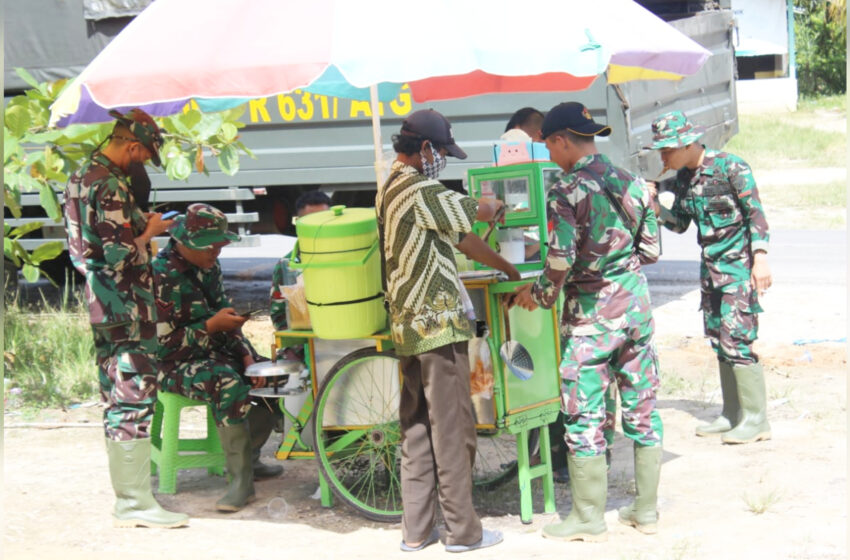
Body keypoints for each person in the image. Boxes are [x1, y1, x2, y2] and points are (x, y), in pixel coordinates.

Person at [512, 102, 664, 541]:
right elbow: (651, 252)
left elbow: (558, 259)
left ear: (561, 140)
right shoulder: (633, 183)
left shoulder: (566, 189)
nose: (549, 154)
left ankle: (587, 518)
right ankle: (646, 510)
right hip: (636, 312)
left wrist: (538, 295)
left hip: (591, 321)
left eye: (548, 145)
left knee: (584, 413)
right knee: (643, 406)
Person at [377, 109, 519, 553]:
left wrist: (504, 265)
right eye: (441, 152)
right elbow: (478, 211)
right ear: (424, 149)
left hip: (407, 328)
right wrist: (496, 205)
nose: (443, 161)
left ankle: (416, 532)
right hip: (439, 329)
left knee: (417, 430)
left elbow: (461, 239)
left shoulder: (389, 188)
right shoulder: (419, 187)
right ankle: (463, 532)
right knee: (454, 429)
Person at [63, 108, 188, 528]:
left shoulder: (80, 176)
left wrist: (144, 224)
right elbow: (119, 255)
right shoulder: (111, 185)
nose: (142, 164)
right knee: (133, 396)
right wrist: (150, 232)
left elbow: (92, 247)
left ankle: (132, 498)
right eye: (143, 156)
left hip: (102, 304)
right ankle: (134, 503)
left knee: (117, 396)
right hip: (126, 303)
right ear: (133, 145)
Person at [646, 110, 772, 444]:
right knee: (719, 342)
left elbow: (755, 216)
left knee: (737, 342)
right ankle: (732, 415)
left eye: (667, 149)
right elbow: (682, 224)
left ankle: (757, 420)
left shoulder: (731, 167)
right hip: (710, 273)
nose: (663, 156)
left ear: (688, 143)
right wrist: (657, 210)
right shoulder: (686, 180)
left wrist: (760, 258)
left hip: (738, 270)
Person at [153, 203, 280, 513]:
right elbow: (161, 346)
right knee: (228, 384)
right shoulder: (160, 276)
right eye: (211, 247)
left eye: (220, 246)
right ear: (186, 244)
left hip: (212, 352)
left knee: (274, 374)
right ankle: (240, 483)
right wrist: (210, 327)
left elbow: (225, 316)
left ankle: (249, 459)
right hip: (171, 363)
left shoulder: (208, 266)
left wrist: (248, 357)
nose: (217, 253)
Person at [270, 190, 332, 331]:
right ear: (298, 223)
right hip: (306, 338)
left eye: (323, 221)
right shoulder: (288, 265)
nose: (317, 227)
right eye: (310, 222)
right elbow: (279, 316)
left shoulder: (348, 257)